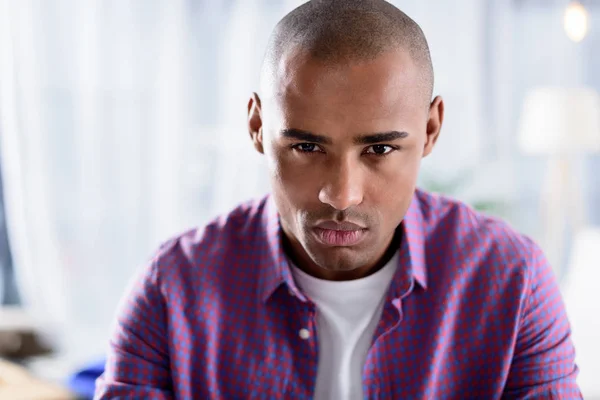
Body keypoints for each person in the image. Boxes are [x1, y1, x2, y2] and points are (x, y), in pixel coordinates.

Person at [95, 1, 582, 399]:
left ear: (431, 129)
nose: (341, 195)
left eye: (380, 149)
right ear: (258, 127)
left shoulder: (511, 281)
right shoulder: (172, 288)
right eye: (307, 147)